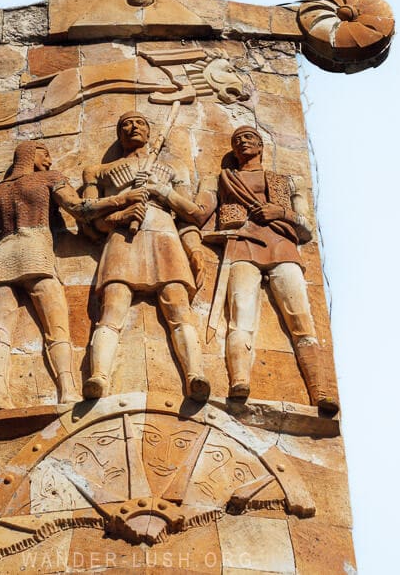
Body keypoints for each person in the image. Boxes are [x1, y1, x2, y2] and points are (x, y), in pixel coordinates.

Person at [0, 140, 146, 408]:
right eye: (45, 154)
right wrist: (120, 199)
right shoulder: (49, 179)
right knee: (57, 329)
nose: (50, 160)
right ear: (30, 155)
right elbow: (79, 208)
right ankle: (67, 391)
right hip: (35, 253)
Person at [81, 111, 212, 402]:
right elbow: (90, 222)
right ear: (118, 134)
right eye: (125, 123)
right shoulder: (98, 172)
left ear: (150, 131)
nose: (132, 127)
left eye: (140, 122)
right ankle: (99, 377)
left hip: (164, 234)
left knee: (178, 307)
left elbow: (191, 215)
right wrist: (120, 214)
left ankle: (195, 375)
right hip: (122, 238)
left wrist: (161, 191)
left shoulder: (173, 167)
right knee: (112, 307)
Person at [215, 125, 338, 414]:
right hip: (243, 246)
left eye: (249, 138)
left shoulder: (284, 181)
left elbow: (305, 227)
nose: (242, 143)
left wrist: (279, 212)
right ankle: (239, 382)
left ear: (260, 146)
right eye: (237, 140)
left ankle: (320, 391)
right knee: (240, 317)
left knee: (301, 320)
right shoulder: (226, 180)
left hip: (281, 246)